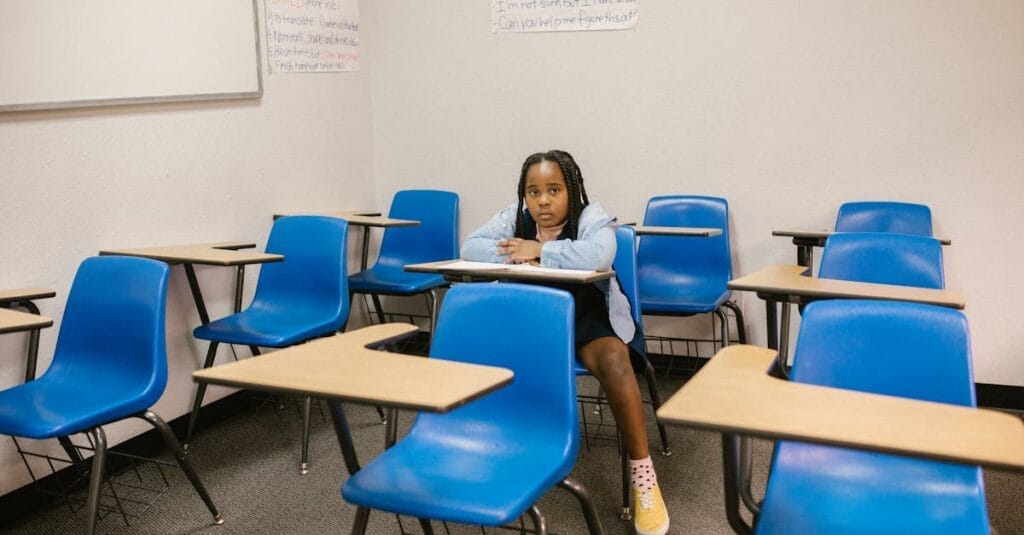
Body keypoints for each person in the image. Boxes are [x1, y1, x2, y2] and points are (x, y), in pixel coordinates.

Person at [462, 150, 669, 535]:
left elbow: (600, 253)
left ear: (571, 190)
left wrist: (539, 250)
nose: (543, 200)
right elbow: (470, 246)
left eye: (553, 190)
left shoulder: (591, 216)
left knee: (614, 361)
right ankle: (489, 456)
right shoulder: (515, 216)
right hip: (535, 319)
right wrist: (513, 252)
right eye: (533, 191)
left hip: (586, 317)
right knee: (480, 354)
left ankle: (644, 477)